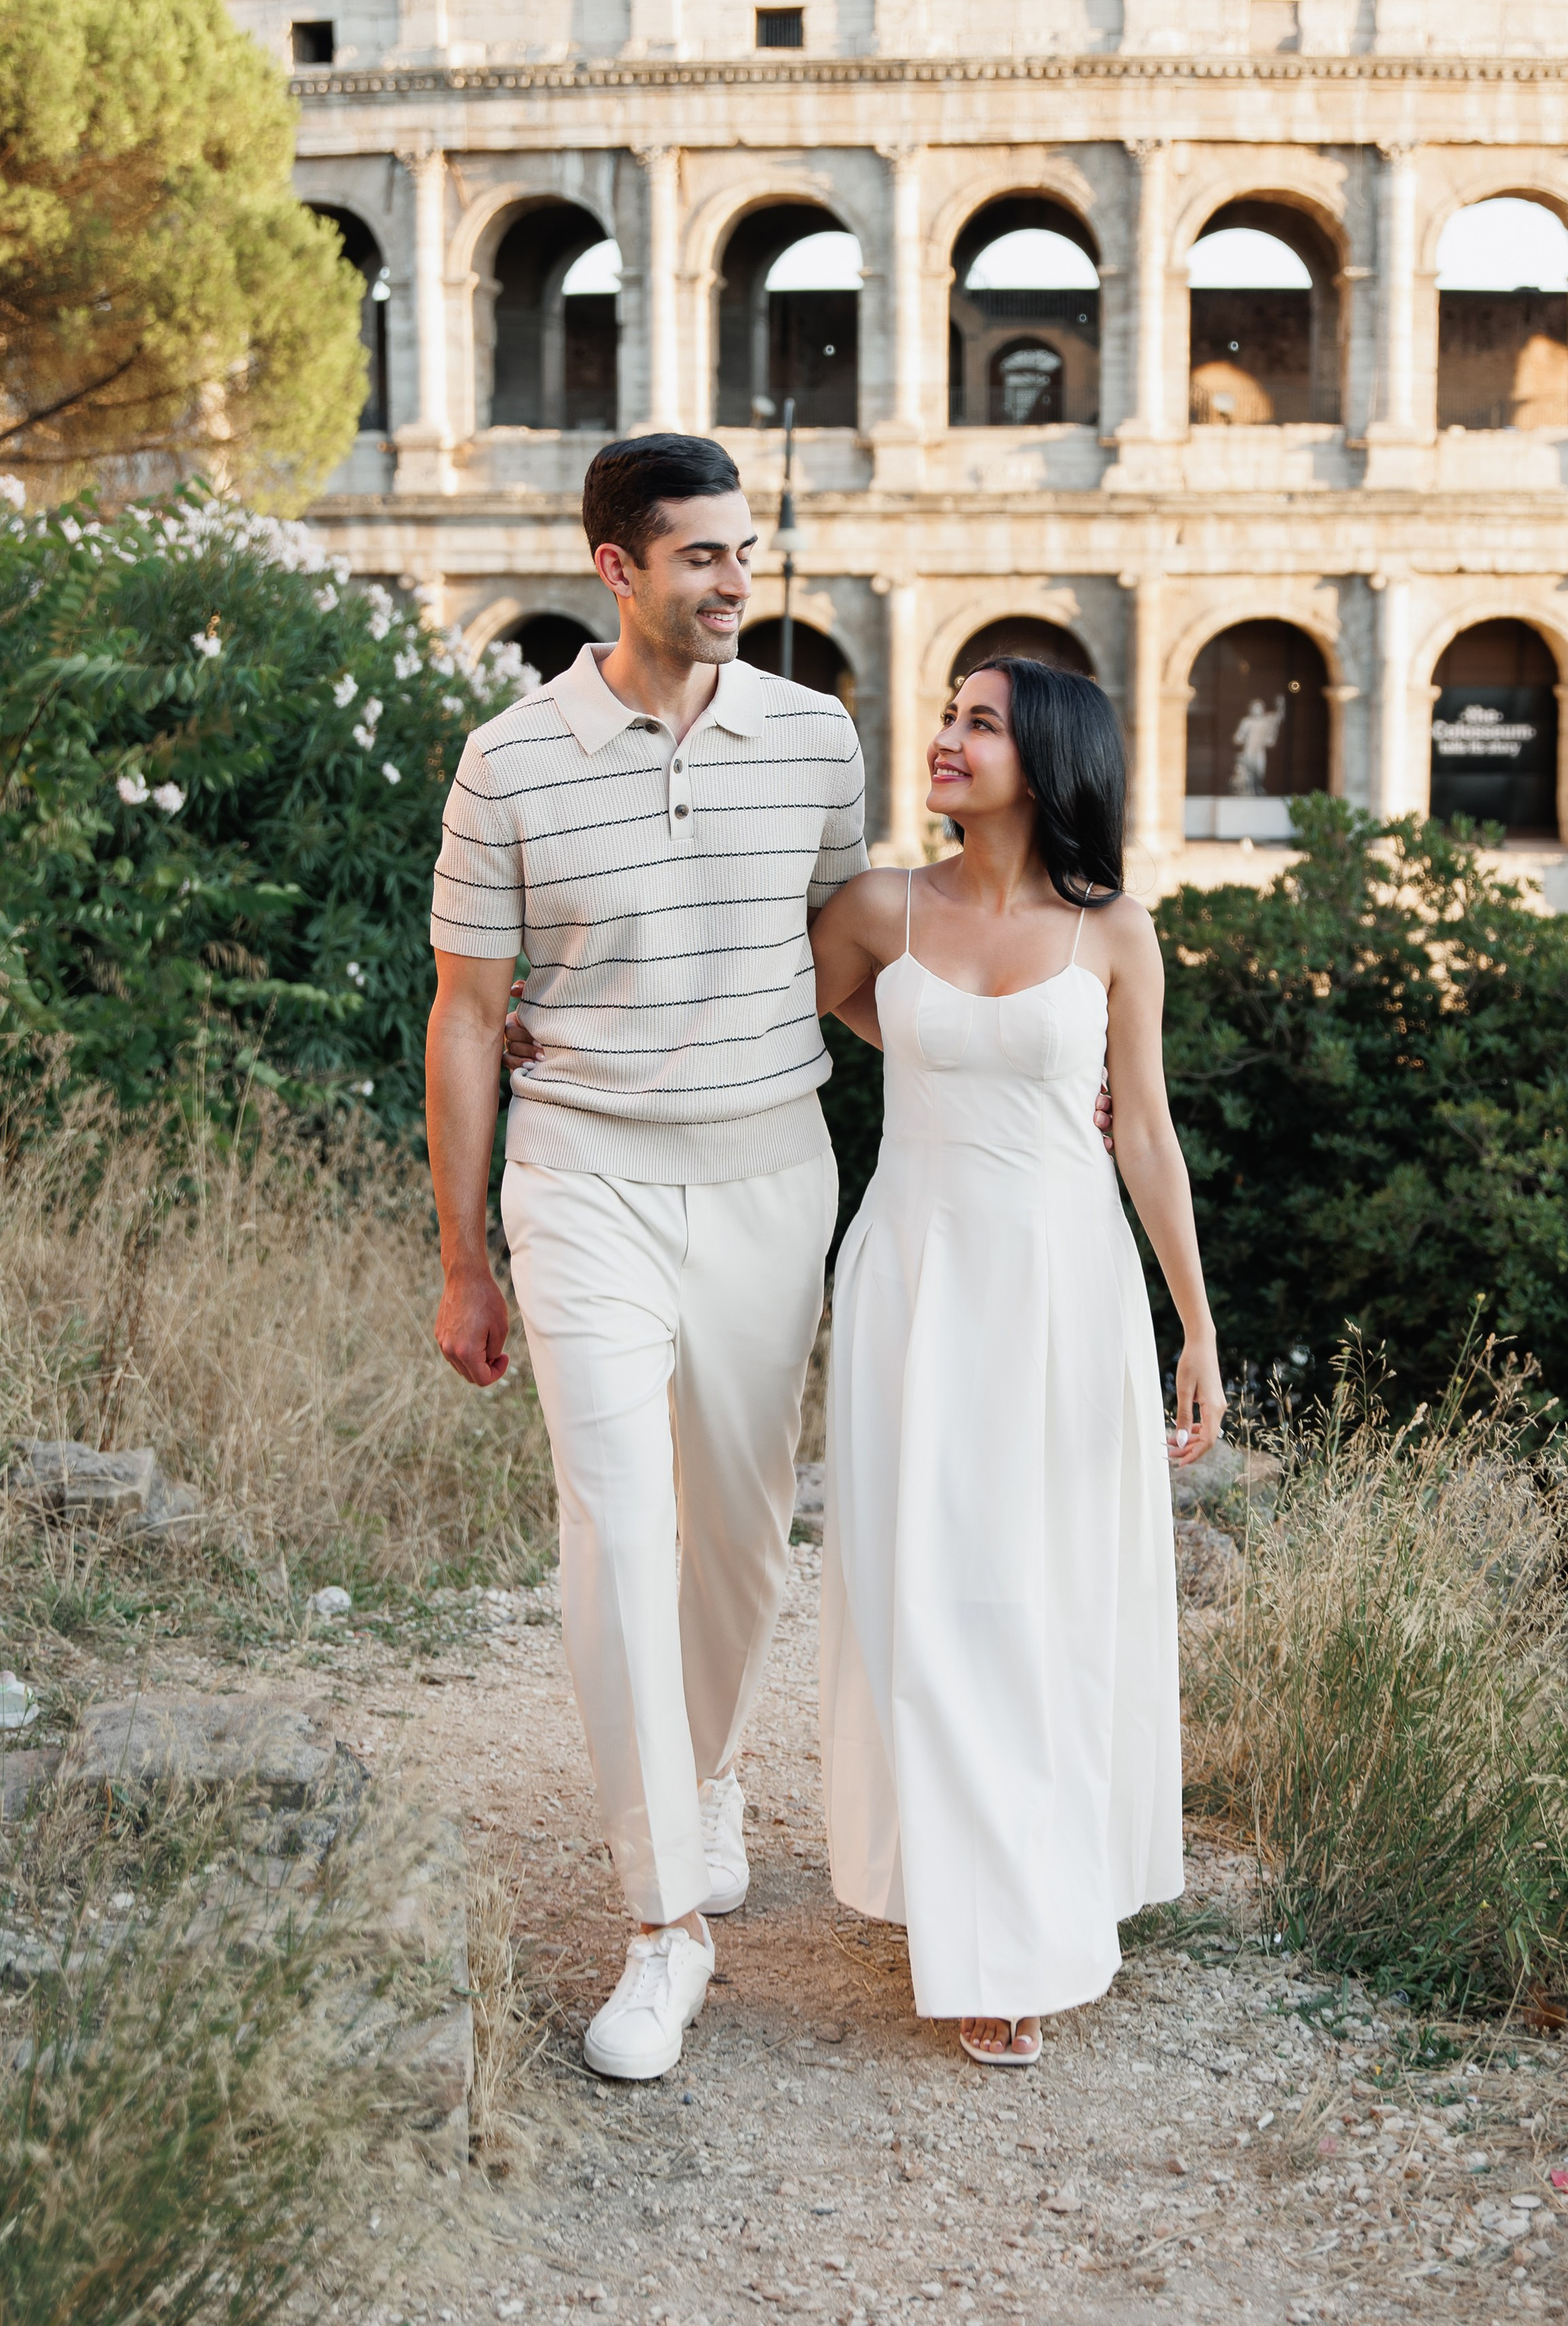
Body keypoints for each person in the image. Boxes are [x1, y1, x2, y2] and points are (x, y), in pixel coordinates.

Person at [425, 432, 866, 2083]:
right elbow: (469, 1016)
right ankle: (663, 1926)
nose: (735, 582)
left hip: (771, 1174)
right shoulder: (508, 761)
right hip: (581, 1176)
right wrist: (464, 1257)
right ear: (617, 568)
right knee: (617, 1528)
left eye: (746, 553)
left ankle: (711, 1763)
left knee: (743, 1544)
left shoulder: (814, 736)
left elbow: (843, 953)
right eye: (701, 557)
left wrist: (1021, 1064)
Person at [808, 656, 1226, 2068]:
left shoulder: (1116, 934)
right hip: (914, 1276)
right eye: (944, 716)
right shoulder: (877, 908)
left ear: (1045, 760)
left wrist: (1195, 1325)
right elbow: (819, 1016)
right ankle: (966, 1916)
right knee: (924, 1593)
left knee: (1038, 1596)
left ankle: (1024, 1919)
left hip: (1064, 1289)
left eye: (977, 723)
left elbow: (1145, 1136)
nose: (943, 739)